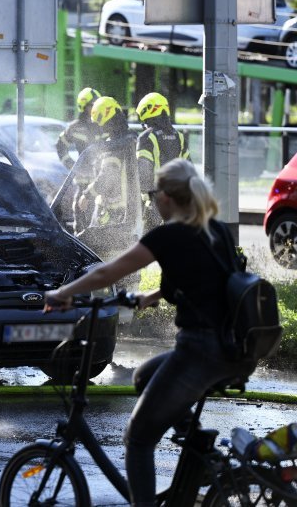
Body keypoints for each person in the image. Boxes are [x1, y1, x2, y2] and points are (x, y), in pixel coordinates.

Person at [45, 158, 254, 507]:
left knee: (138, 439)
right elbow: (208, 281)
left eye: (154, 192)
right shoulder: (212, 229)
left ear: (168, 198)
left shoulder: (169, 235)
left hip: (199, 351)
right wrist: (152, 296)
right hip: (232, 348)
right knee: (144, 376)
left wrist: (62, 293)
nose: (153, 199)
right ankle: (200, 450)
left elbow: (105, 274)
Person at [74, 96, 139, 240]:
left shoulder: (113, 146)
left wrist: (87, 194)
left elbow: (107, 177)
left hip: (113, 211)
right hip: (129, 210)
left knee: (91, 248)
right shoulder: (132, 138)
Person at [135, 92, 190, 232]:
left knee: (152, 246)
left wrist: (145, 197)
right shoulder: (179, 137)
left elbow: (144, 172)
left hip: (157, 203)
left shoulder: (147, 137)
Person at [55, 87, 104, 170]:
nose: (95, 108)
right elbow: (60, 146)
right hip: (81, 180)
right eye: (92, 105)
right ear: (84, 107)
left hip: (101, 178)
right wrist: (72, 166)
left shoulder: (103, 125)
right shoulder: (74, 128)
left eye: (97, 105)